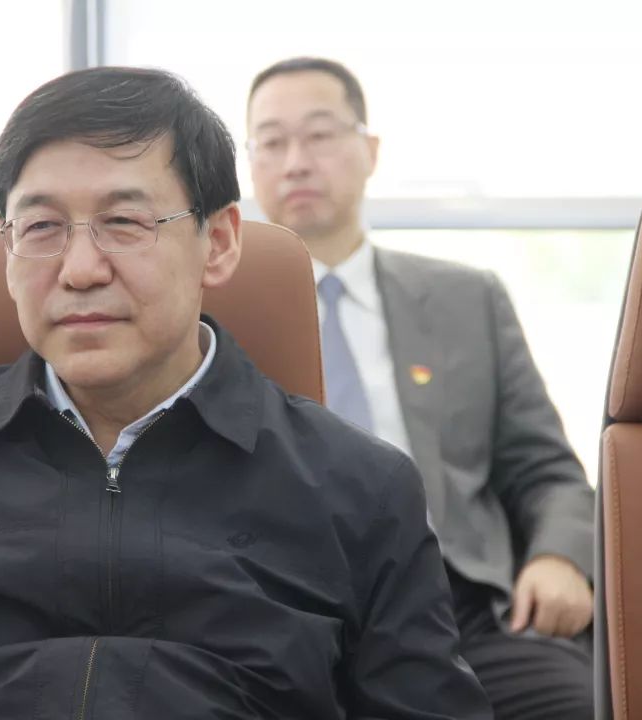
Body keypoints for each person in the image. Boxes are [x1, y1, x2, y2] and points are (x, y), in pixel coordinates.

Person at [0, 66, 491, 719]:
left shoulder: (360, 488)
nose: (78, 270)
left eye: (124, 223)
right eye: (41, 228)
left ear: (217, 243)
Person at [246, 57, 596, 720]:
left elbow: (546, 468)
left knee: (574, 703)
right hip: (287, 613)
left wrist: (560, 557)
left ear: (370, 150)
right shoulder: (216, 314)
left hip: (462, 606)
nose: (295, 162)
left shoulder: (467, 298)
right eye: (271, 141)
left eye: (319, 135)